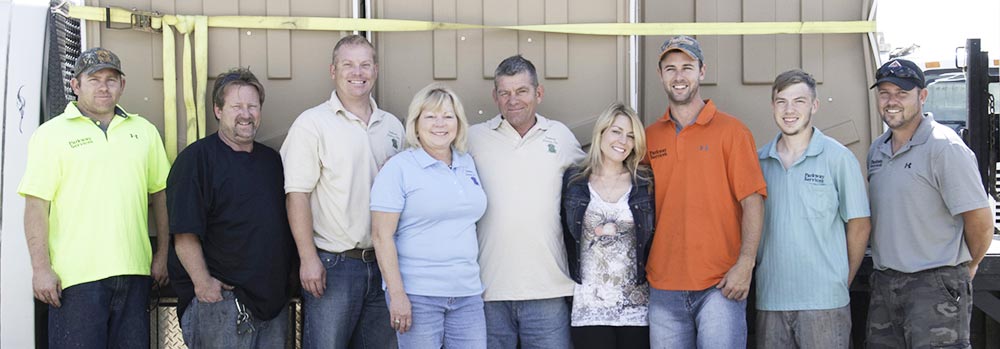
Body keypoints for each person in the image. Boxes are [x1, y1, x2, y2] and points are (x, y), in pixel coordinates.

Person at [18, 47, 170, 348]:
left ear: (122, 85)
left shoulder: (144, 131)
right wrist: (41, 269)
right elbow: (36, 206)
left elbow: (161, 196)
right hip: (75, 280)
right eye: (94, 79)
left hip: (135, 273)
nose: (104, 86)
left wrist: (162, 255)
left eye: (111, 79)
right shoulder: (50, 135)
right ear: (76, 85)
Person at [280, 34, 403, 348]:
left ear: (375, 70)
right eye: (348, 65)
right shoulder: (312, 124)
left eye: (365, 65)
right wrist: (308, 258)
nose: (357, 72)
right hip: (334, 267)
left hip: (385, 264)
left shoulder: (393, 127)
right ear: (332, 71)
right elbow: (297, 195)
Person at [643, 35, 767, 348]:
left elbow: (753, 201)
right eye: (670, 69)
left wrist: (745, 264)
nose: (678, 76)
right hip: (663, 286)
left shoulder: (733, 131)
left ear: (702, 71)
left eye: (687, 67)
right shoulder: (649, 138)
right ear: (660, 75)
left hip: (720, 284)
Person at [865, 58, 993, 348]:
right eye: (885, 93)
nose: (892, 101)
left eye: (902, 93)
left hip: (933, 286)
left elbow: (980, 221)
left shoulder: (943, 147)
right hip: (885, 285)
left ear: (922, 96)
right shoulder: (877, 149)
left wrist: (964, 269)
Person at [167, 67, 296, 348]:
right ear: (218, 110)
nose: (246, 114)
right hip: (221, 303)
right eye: (236, 106)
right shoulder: (196, 160)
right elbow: (184, 233)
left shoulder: (271, 162)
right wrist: (203, 284)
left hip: (271, 306)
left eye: (252, 106)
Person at [467, 54, 586, 348]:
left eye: (521, 91)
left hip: (547, 289)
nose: (513, 100)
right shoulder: (472, 138)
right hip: (488, 290)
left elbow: (597, 180)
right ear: (495, 96)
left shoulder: (559, 137)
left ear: (538, 93)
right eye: (505, 92)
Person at [754, 69, 871, 348]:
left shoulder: (838, 158)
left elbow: (860, 224)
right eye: (781, 101)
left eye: (799, 101)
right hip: (771, 300)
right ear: (772, 106)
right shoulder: (758, 162)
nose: (789, 110)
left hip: (825, 304)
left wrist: (839, 280)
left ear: (814, 105)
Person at [370, 83, 488, 348]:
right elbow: (381, 235)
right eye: (431, 116)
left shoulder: (466, 163)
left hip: (467, 294)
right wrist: (397, 294)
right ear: (416, 123)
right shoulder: (399, 168)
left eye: (448, 116)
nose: (440, 124)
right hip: (417, 294)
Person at [560, 102, 654, 349]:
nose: (623, 140)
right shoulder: (574, 181)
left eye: (631, 136)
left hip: (636, 306)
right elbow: (564, 235)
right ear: (601, 132)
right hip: (589, 305)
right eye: (616, 131)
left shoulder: (645, 183)